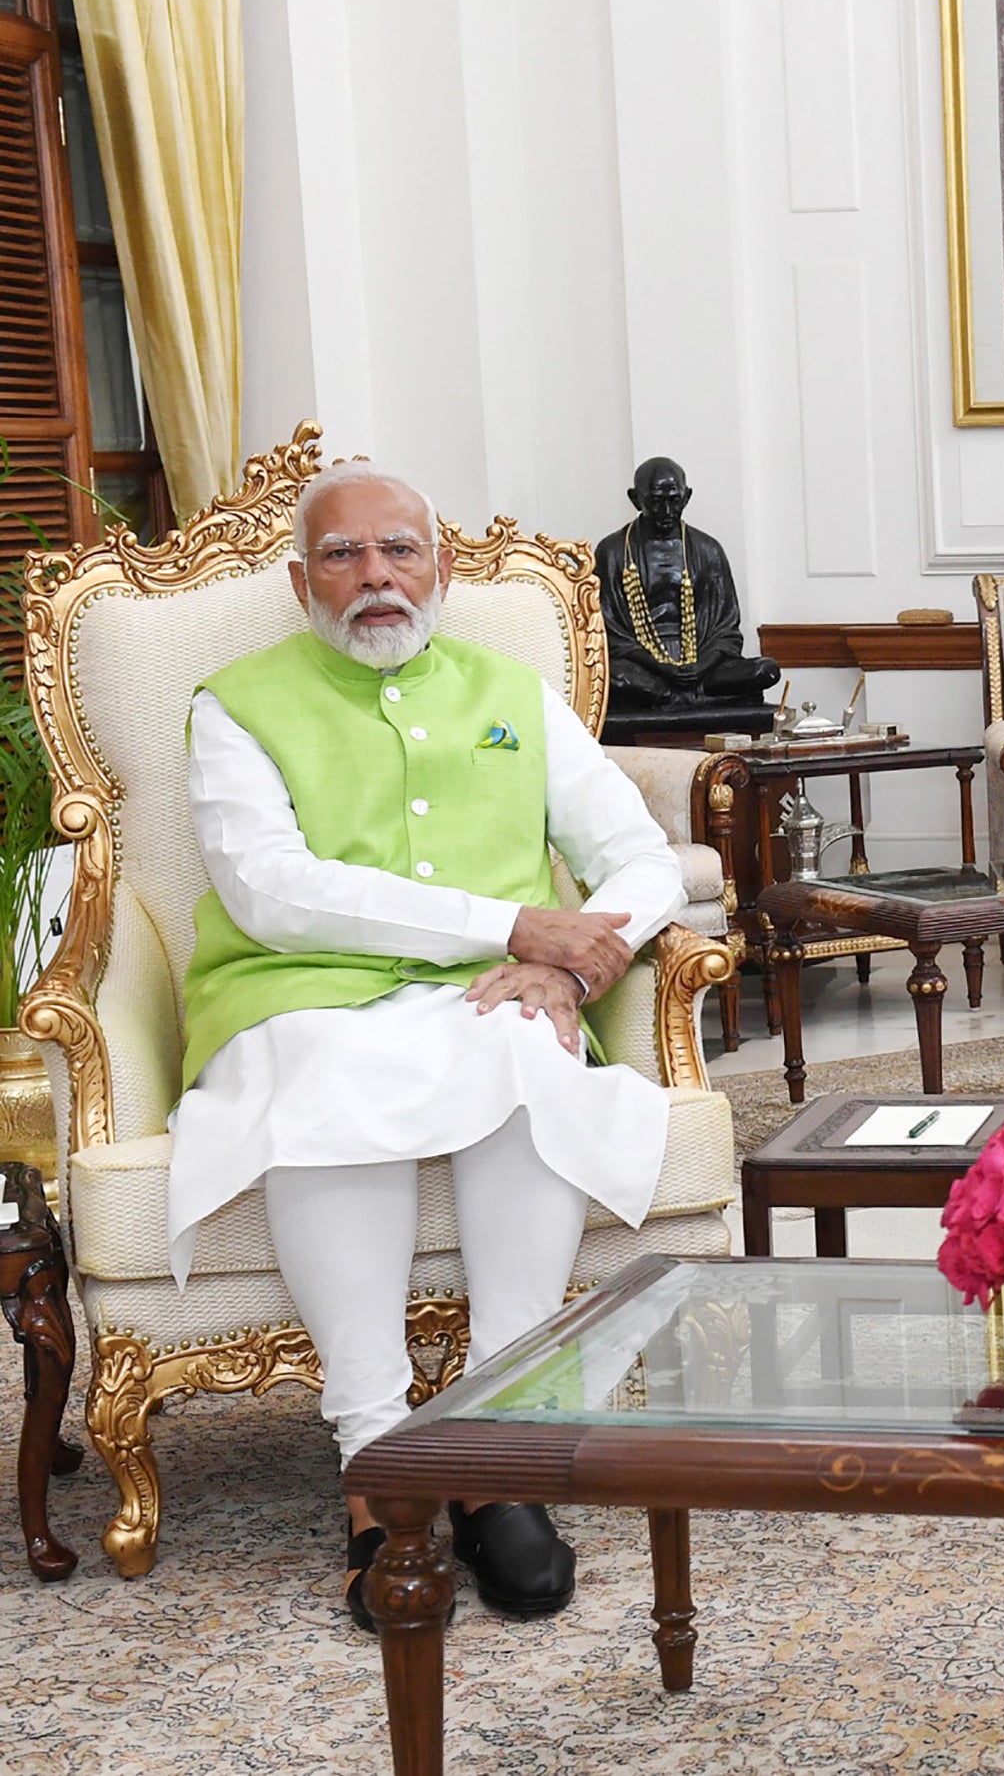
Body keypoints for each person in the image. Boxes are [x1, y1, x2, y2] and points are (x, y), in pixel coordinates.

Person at [172, 464, 686, 1630]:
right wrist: (510, 923)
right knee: (329, 1080)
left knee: (527, 1053)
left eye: (400, 551)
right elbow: (272, 891)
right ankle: (377, 1464)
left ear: (440, 570)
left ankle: (501, 1446)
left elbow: (641, 857)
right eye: (346, 557)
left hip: (490, 991)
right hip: (299, 994)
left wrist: (571, 959)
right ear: (303, 580)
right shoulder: (235, 702)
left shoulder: (512, 689)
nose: (376, 578)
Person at [592, 454, 782, 714]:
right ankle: (687, 697)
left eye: (674, 501)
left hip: (702, 665)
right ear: (635, 499)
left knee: (766, 669)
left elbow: (726, 631)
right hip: (644, 668)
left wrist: (701, 666)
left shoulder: (708, 550)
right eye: (655, 502)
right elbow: (609, 631)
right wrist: (662, 668)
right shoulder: (612, 552)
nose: (666, 512)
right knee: (610, 675)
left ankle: (674, 698)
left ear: (687, 496)